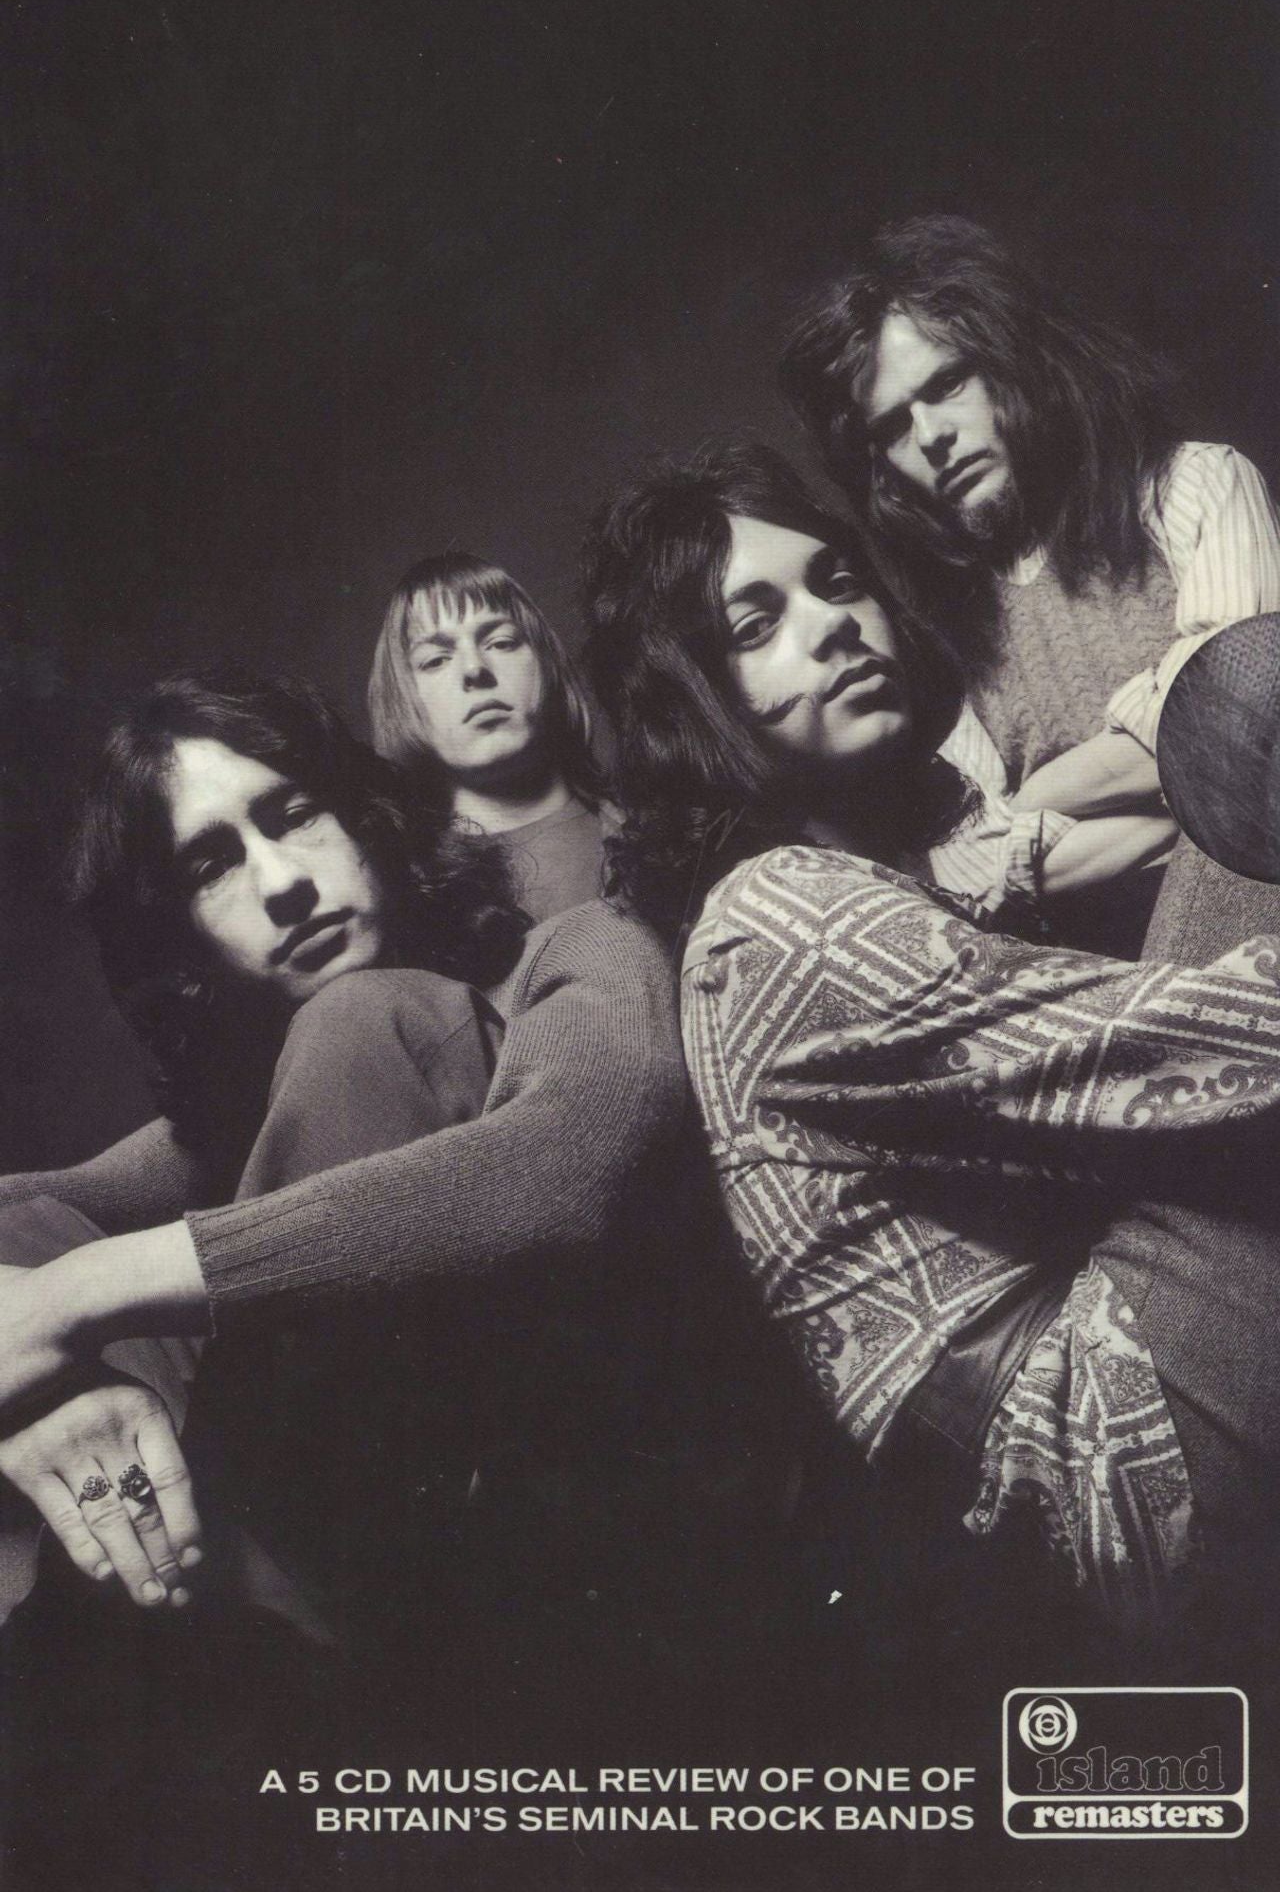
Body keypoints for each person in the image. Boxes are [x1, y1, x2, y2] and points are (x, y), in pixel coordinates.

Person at [581, 441, 1280, 1630]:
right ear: (691, 695)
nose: (831, 625)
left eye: (836, 581)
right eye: (754, 624)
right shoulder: (778, 916)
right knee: (1254, 711)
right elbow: (1220, 1049)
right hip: (1115, 1460)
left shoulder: (885, 877)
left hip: (1111, 1435)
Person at [0, 668, 692, 1679]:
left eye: (295, 814)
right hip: (293, 1578)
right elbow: (19, 1210)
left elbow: (569, 1163)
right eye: (212, 864)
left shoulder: (578, 948)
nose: (282, 881)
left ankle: (157, 1631)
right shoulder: (247, 1110)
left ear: (367, 818)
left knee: (365, 1016)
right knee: (29, 1236)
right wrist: (56, 1397)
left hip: (548, 1546)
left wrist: (71, 1301)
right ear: (181, 936)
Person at [778, 215, 1280, 956]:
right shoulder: (938, 621)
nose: (931, 437)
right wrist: (1169, 782)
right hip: (1086, 976)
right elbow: (969, 865)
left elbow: (1238, 738)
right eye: (892, 427)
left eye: (947, 383)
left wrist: (1035, 800)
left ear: (1017, 362)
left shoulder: (1195, 486)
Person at [368, 549, 610, 921]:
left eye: (501, 643)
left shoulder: (657, 836)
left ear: (547, 664)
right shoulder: (399, 898)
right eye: (436, 660)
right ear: (401, 700)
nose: (474, 668)